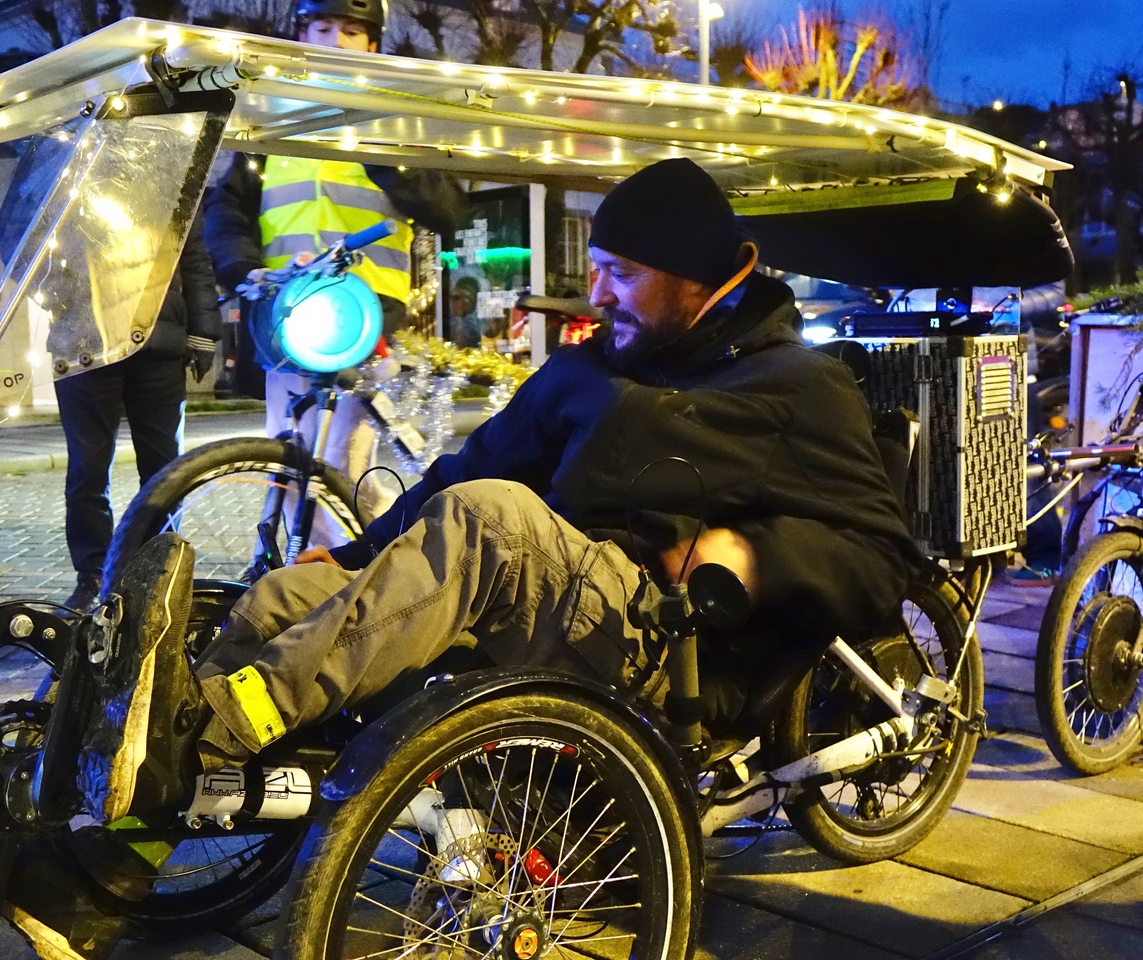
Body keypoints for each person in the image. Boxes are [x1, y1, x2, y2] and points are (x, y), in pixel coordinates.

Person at [70, 157, 923, 826]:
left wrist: (751, 555)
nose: (595, 295)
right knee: (289, 592)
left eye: (619, 274)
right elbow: (465, 467)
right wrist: (359, 555)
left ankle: (217, 730)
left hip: (676, 645)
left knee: (493, 522)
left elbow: (881, 565)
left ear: (705, 282)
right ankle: (141, 815)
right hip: (553, 605)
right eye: (595, 269)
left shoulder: (796, 386)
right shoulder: (588, 369)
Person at [202, 0, 466, 497]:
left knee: (344, 461)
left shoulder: (396, 120)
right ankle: (304, 564)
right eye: (322, 28)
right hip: (284, 311)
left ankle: (349, 560)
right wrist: (244, 267)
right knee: (286, 457)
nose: (335, 42)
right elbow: (227, 209)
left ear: (371, 44)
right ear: (302, 37)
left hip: (366, 314)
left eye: (350, 31)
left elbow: (449, 208)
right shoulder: (272, 121)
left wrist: (389, 157)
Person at [55, 218, 220, 612]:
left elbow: (193, 257)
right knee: (87, 471)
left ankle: (159, 570)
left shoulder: (171, 171)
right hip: (85, 343)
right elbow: (29, 239)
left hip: (158, 343)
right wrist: (58, 294)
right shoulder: (74, 171)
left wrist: (203, 333)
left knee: (164, 473)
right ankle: (92, 576)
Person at [448, 275, 484, 348]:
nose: (462, 302)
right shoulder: (442, 319)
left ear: (475, 303)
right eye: (456, 297)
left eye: (468, 298)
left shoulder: (475, 325)